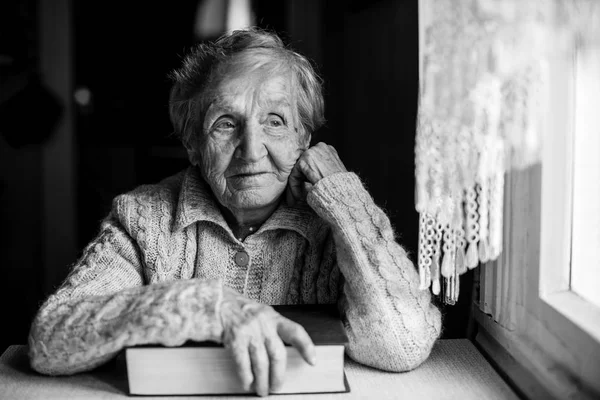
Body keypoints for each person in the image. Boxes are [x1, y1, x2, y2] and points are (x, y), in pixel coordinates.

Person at [28, 28, 441, 396]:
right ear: (193, 143)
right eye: (226, 123)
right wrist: (207, 305)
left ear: (304, 138)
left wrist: (346, 200)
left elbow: (402, 343)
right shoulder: (143, 219)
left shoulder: (335, 222)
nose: (252, 149)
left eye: (275, 121)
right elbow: (50, 341)